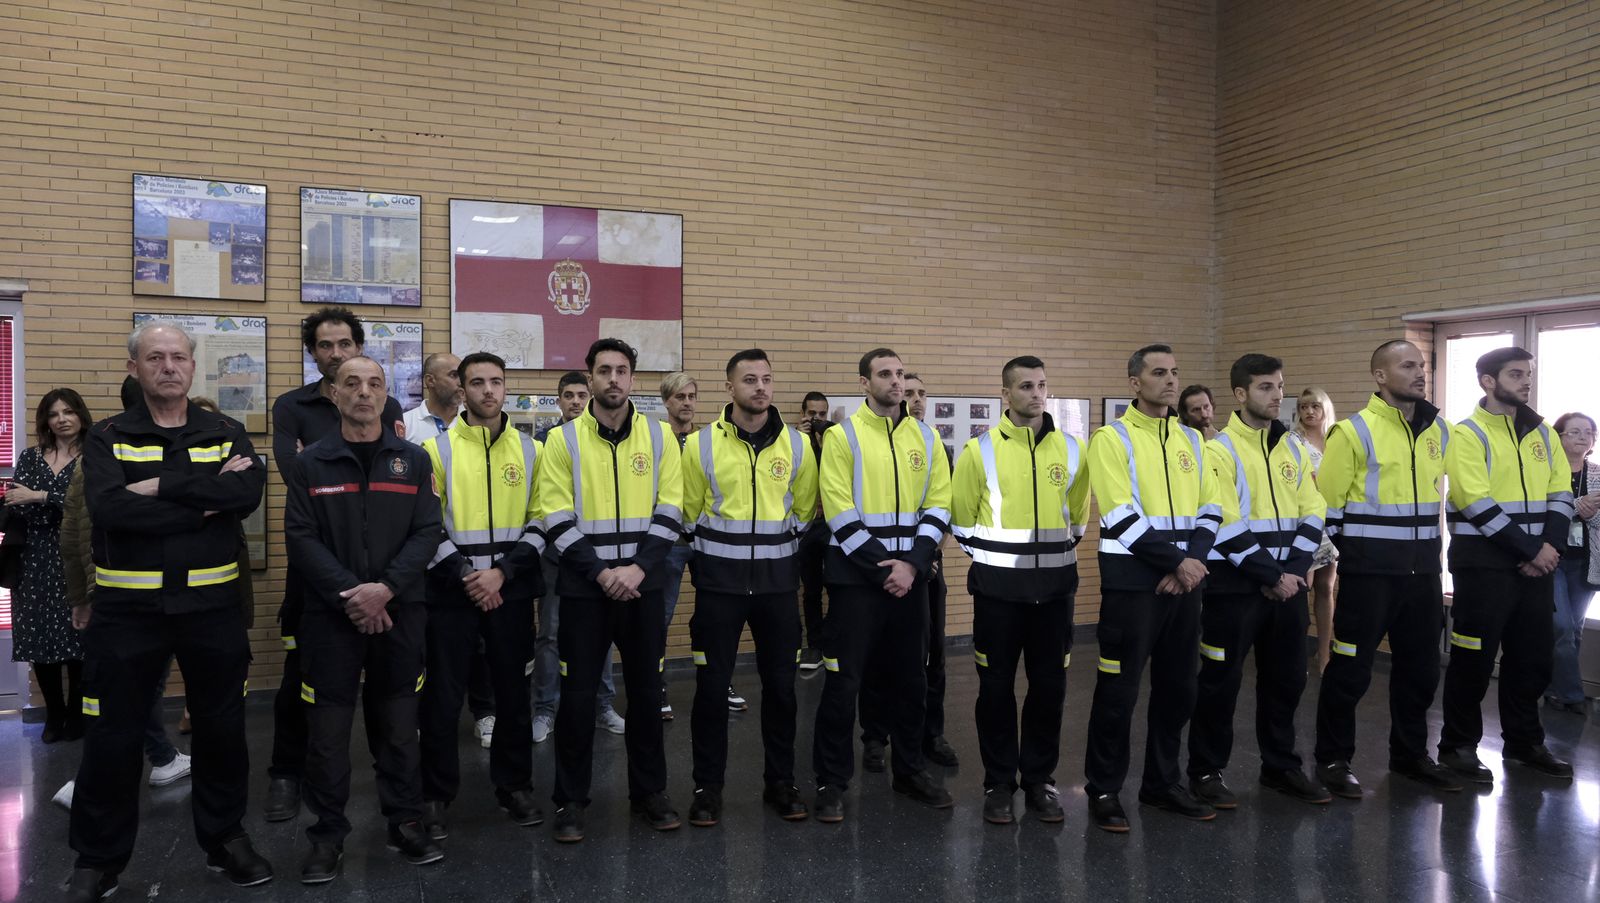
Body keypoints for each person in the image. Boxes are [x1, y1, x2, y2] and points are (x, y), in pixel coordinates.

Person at [66, 321, 271, 902]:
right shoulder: (106, 437)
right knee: (112, 735)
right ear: (134, 368)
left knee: (223, 729)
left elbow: (246, 496)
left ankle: (225, 839)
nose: (168, 367)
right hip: (127, 613)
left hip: (211, 608)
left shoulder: (225, 429)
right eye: (154, 357)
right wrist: (202, 501)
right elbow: (109, 512)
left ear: (192, 366)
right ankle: (97, 860)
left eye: (178, 357)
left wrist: (156, 488)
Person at [284, 356, 444, 882]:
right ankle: (327, 836)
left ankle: (405, 821)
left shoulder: (413, 461)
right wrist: (353, 595)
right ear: (334, 394)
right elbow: (302, 539)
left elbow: (427, 532)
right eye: (351, 383)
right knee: (328, 733)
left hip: (401, 612)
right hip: (332, 618)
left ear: (386, 394)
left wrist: (386, 589)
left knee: (400, 726)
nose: (363, 393)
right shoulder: (312, 464)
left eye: (374, 384)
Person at [538, 338, 685, 842]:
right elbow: (555, 516)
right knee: (577, 700)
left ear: (633, 379)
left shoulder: (661, 437)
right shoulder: (563, 440)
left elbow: (672, 508)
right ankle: (571, 802)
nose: (614, 379)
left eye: (622, 371)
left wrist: (638, 570)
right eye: (604, 371)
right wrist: (603, 573)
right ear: (590, 377)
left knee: (646, 694)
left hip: (644, 587)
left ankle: (650, 794)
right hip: (585, 590)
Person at [265, 307, 405, 823]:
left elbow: (389, 480)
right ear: (314, 353)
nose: (336, 352)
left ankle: (390, 790)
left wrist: (380, 587)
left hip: (384, 576)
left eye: (345, 343)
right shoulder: (291, 405)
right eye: (325, 346)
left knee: (387, 694)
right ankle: (285, 772)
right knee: (299, 680)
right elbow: (296, 472)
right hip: (320, 576)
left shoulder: (383, 405)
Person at [1083, 344, 1222, 833]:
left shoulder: (1192, 440)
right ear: (1134, 382)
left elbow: (1212, 507)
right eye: (1159, 372)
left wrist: (1193, 562)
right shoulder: (1111, 438)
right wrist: (1177, 561)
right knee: (1118, 692)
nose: (1170, 380)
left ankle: (1162, 784)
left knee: (1179, 689)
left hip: (1185, 585)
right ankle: (1103, 789)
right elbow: (1120, 513)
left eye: (1175, 372)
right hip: (1134, 587)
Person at [811, 347, 954, 823]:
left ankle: (910, 770)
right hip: (856, 581)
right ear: (864, 383)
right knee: (843, 682)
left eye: (899, 374)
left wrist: (912, 565)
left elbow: (938, 505)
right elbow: (838, 508)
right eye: (885, 375)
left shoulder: (927, 437)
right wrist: (886, 567)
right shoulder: (842, 437)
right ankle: (832, 781)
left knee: (911, 678)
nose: (896, 382)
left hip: (910, 579)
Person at [1314, 339, 1461, 799]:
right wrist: (1360, 556)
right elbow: (1326, 507)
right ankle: (1333, 760)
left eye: (1423, 365)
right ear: (1380, 375)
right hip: (1369, 578)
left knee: (1420, 672)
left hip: (1422, 577)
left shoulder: (1441, 430)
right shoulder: (1353, 431)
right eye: (1408, 365)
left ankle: (1411, 756)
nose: (1420, 372)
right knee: (1351, 671)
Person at [1186, 355, 1331, 810]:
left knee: (1287, 680)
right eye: (1267, 387)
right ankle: (1206, 771)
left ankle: (1281, 766)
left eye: (1280, 386)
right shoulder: (1219, 449)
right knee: (1220, 682)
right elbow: (1224, 519)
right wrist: (1272, 575)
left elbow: (1315, 507)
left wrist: (1294, 570)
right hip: (1234, 588)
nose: (1278, 395)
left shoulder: (1291, 448)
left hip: (1288, 584)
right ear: (1241, 394)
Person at [680, 349, 817, 826]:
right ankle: (707, 788)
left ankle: (780, 783)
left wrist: (771, 554)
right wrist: (719, 559)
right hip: (719, 588)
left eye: (766, 379)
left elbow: (803, 513)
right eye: (749, 380)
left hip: (778, 589)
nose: (760, 387)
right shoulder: (698, 445)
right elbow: (688, 515)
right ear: (729, 388)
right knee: (712, 690)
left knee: (781, 690)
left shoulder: (798, 447)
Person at [951, 356, 1088, 825]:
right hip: (997, 596)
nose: (1036, 393)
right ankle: (997, 782)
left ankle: (1040, 782)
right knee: (995, 691)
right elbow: (962, 520)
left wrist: (1045, 561)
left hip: (1054, 594)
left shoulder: (1072, 449)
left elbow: (1077, 520)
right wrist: (996, 561)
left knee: (1049, 690)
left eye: (1042, 385)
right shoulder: (979, 450)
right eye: (1026, 386)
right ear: (1005, 395)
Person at [418, 352, 546, 839]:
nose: (488, 391)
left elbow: (542, 518)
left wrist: (502, 574)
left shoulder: (531, 450)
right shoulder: (435, 450)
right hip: (452, 591)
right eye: (477, 382)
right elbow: (427, 524)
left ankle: (513, 786)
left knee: (513, 694)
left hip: (510, 590)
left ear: (505, 387)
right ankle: (435, 795)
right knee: (443, 697)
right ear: (461, 389)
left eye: (496, 381)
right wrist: (470, 575)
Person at [1437, 347, 1574, 782]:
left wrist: (1548, 547)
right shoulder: (1466, 435)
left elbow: (1562, 494)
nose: (1526, 381)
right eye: (1516, 374)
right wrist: (1531, 551)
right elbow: (1474, 501)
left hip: (1537, 565)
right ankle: (1457, 747)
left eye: (1528, 374)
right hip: (1483, 568)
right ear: (1488, 381)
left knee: (1531, 660)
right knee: (1472, 660)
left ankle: (1524, 744)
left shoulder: (1543, 433)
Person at [859, 372, 958, 771]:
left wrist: (925, 558)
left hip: (926, 570)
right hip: (881, 569)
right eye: (910, 393)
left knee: (931, 657)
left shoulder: (932, 444)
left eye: (921, 394)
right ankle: (874, 737)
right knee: (877, 659)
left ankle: (930, 734)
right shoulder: (874, 445)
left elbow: (944, 510)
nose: (915, 400)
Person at [398, 353, 495, 749]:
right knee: (431, 648)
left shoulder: (472, 426)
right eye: (454, 375)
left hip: (478, 563)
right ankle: (430, 720)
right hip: (429, 560)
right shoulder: (408, 427)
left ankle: (485, 712)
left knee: (482, 646)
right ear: (428, 381)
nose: (461, 382)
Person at [530, 370, 625, 743]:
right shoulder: (545, 441)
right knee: (550, 635)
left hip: (597, 561)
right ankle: (544, 709)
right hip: (556, 558)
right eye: (568, 395)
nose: (575, 401)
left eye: (581, 395)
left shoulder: (604, 442)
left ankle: (602, 706)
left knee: (603, 636)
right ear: (559, 401)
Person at [7, 388, 90, 744]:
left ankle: (76, 715)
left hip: (76, 554)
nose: (62, 419)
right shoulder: (29, 457)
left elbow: (89, 505)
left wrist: (41, 496)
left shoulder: (94, 457)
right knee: (40, 640)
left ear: (80, 416)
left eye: (68, 412)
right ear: (46, 420)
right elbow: (16, 503)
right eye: (54, 414)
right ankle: (54, 716)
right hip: (34, 557)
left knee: (79, 641)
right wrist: (55, 503)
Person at [1548, 412, 1598, 713]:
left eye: (1589, 432)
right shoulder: (1547, 471)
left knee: (1575, 631)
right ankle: (1572, 694)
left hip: (1585, 562)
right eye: (1575, 431)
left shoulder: (1598, 474)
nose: (1583, 437)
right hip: (1551, 559)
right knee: (1562, 627)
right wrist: (1579, 507)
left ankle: (1555, 690)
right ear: (1559, 435)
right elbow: (1539, 512)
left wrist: (1588, 513)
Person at [1291, 387, 1340, 672]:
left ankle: (1324, 653)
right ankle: (1296, 649)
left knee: (1326, 587)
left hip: (1330, 520)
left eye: (1314, 406)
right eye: (1303, 406)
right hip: (1305, 520)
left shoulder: (1335, 440)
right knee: (1303, 585)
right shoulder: (1293, 439)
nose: (1309, 412)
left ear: (1325, 409)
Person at [795, 391, 832, 671]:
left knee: (838, 586)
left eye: (821, 414)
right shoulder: (794, 443)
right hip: (807, 526)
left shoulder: (833, 441)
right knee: (810, 591)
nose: (817, 419)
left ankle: (832, 641)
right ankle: (814, 646)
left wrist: (825, 439)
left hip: (831, 526)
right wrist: (803, 439)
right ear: (803, 415)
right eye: (812, 414)